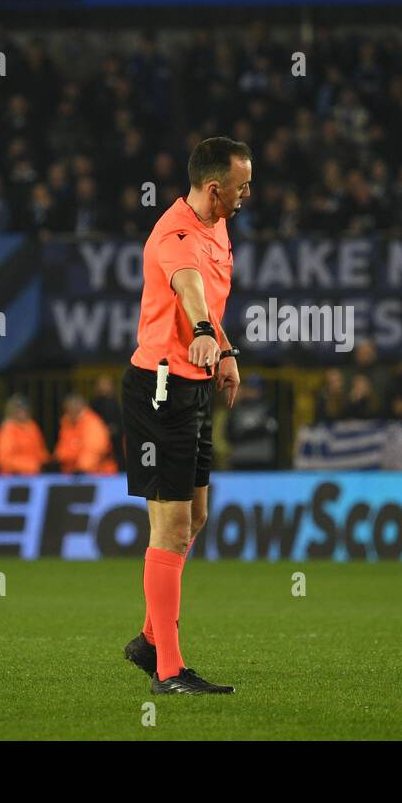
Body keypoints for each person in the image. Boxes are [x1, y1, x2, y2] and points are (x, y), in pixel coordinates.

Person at [120, 136, 248, 694]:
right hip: (161, 390)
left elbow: (211, 307)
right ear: (214, 188)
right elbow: (190, 288)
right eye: (241, 188)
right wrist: (200, 331)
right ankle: (168, 671)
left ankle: (150, 640)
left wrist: (222, 350)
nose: (248, 196)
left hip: (194, 385)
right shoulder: (174, 235)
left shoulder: (217, 224)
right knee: (169, 528)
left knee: (195, 519)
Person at [54, 393, 118, 475]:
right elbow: (62, 449)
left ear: (79, 406)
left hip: (98, 475)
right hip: (73, 474)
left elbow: (93, 451)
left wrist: (80, 468)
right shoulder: (67, 423)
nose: (68, 411)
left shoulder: (93, 423)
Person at [0, 394, 49, 475]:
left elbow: (40, 451)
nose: (22, 412)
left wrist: (46, 463)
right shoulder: (8, 429)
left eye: (24, 408)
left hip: (34, 476)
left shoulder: (32, 427)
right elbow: (3, 460)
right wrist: (31, 465)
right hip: (13, 479)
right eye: (18, 409)